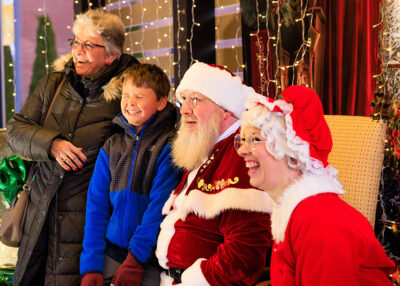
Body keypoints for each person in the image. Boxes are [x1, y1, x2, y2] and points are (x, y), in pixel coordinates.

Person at [6, 9, 139, 286]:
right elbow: (16, 131)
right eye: (76, 42)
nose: (79, 51)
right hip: (38, 220)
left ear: (111, 55)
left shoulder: (127, 96)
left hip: (88, 229)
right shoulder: (53, 84)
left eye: (89, 45)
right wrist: (52, 144)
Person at [236, 85, 395, 285]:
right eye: (242, 140)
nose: (242, 150)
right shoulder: (295, 211)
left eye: (254, 140)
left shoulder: (319, 222)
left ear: (292, 150)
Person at [155, 62, 274, 285]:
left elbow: (244, 254)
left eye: (196, 100)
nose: (184, 110)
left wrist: (194, 281)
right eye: (184, 100)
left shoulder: (242, 155)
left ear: (226, 109)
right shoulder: (206, 145)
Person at [79, 64, 182, 286]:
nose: (130, 102)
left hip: (146, 259)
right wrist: (91, 266)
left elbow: (159, 209)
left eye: (139, 96)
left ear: (161, 102)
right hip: (109, 252)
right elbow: (96, 207)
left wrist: (135, 259)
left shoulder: (169, 145)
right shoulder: (112, 146)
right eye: (126, 95)